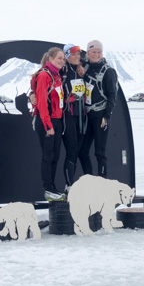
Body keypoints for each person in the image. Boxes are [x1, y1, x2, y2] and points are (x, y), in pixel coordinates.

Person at [78, 40, 118, 178]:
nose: (96, 54)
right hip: (87, 114)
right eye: (93, 52)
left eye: (99, 52)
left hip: (100, 114)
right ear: (87, 53)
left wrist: (106, 116)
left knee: (99, 152)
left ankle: (102, 182)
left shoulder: (108, 71)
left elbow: (112, 95)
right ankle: (89, 180)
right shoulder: (84, 67)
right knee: (82, 151)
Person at [34, 47, 66, 202]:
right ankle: (48, 188)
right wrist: (48, 125)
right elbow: (41, 102)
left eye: (63, 58)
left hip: (56, 120)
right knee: (48, 156)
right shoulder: (44, 76)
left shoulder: (57, 75)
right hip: (47, 120)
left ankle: (52, 188)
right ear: (51, 59)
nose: (61, 61)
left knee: (55, 156)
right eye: (59, 58)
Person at [61, 43, 87, 193]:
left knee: (77, 151)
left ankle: (73, 184)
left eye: (78, 55)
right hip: (68, 116)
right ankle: (69, 184)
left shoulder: (80, 71)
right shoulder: (63, 72)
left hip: (81, 116)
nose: (77, 57)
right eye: (73, 54)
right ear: (66, 56)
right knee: (71, 151)